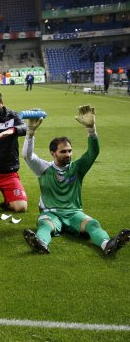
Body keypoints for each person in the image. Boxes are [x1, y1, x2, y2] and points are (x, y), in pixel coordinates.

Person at [21, 105, 129, 255]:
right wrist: (30, 133)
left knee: (93, 224)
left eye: (70, 151)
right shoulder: (43, 169)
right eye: (63, 151)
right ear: (53, 153)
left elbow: (93, 152)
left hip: (74, 213)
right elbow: (28, 156)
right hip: (51, 213)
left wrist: (91, 130)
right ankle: (41, 243)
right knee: (45, 226)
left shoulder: (77, 168)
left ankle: (107, 245)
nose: (68, 154)